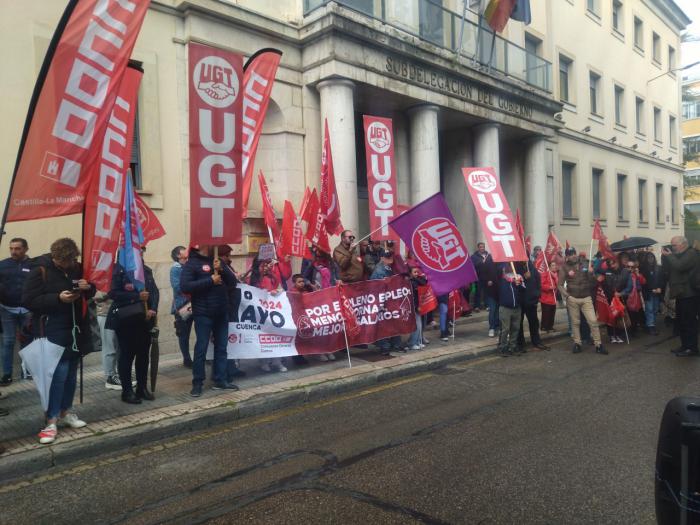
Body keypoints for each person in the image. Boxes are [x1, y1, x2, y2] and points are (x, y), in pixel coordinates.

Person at [22, 238, 95, 444]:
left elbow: (92, 292)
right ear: (55, 258)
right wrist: (57, 298)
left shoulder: (77, 267)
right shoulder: (40, 270)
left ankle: (66, 410)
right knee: (58, 374)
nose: (68, 265)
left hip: (75, 329)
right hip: (52, 328)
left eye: (71, 261)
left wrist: (87, 287)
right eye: (63, 262)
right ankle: (51, 419)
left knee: (71, 372)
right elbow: (28, 300)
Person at [181, 245, 239, 396]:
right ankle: (197, 383)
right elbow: (185, 286)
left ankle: (220, 380)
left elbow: (232, 282)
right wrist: (210, 281)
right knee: (201, 348)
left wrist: (223, 269)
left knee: (222, 347)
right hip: (203, 313)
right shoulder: (191, 264)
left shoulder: (217, 260)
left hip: (221, 312)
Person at [108, 257, 159, 404]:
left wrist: (153, 309)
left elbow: (154, 292)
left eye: (142, 250)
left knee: (143, 355)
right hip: (126, 320)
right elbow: (113, 293)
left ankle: (142, 388)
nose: (141, 252)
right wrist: (136, 296)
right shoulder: (119, 270)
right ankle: (127, 391)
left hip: (144, 319)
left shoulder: (146, 270)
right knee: (127, 355)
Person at [558, 248, 606, 355]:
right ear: (567, 256)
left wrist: (592, 273)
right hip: (573, 299)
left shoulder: (585, 263)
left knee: (593, 321)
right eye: (570, 254)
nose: (573, 255)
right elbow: (560, 285)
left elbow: (594, 281)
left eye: (574, 253)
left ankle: (599, 345)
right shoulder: (564, 267)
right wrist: (567, 296)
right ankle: (577, 343)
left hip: (586, 297)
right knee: (575, 323)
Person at [0, 237, 34, 385]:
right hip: (7, 309)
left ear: (26, 249)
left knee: (27, 341)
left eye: (17, 248)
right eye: (11, 248)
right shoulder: (3, 265)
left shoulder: (34, 265)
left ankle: (26, 371)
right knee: (8, 342)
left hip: (28, 310)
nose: (14, 251)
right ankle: (6, 375)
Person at [661, 237, 700, 357]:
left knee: (689, 322)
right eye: (672, 245)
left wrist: (669, 256)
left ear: (683, 244)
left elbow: (680, 266)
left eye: (674, 245)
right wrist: (665, 257)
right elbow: (669, 269)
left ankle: (692, 348)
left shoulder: (691, 254)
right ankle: (684, 346)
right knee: (681, 322)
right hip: (681, 293)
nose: (672, 248)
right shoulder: (679, 255)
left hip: (690, 294)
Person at [250, 256, 289, 371]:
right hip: (261, 311)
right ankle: (264, 362)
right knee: (264, 336)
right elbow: (254, 292)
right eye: (264, 265)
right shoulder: (254, 279)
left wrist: (278, 291)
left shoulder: (272, 276)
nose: (267, 267)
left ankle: (277, 361)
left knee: (276, 335)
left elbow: (278, 286)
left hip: (273, 310)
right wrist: (267, 292)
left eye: (268, 264)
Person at [218, 245, 246, 379]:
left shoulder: (227, 266)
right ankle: (226, 371)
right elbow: (230, 282)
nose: (228, 258)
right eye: (227, 255)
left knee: (233, 340)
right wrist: (234, 277)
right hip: (227, 307)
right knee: (226, 341)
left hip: (232, 306)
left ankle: (232, 368)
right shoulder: (220, 267)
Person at [370, 250, 401, 354]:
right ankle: (385, 346)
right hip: (384, 300)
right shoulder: (379, 271)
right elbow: (375, 287)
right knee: (384, 324)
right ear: (382, 258)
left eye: (390, 257)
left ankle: (395, 344)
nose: (390, 259)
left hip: (391, 299)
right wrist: (380, 303)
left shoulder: (390, 268)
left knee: (393, 322)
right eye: (387, 257)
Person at [516, 259, 548, 351]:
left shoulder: (531, 267)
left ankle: (536, 341)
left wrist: (537, 294)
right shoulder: (515, 267)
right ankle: (520, 344)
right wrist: (522, 277)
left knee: (534, 323)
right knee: (519, 323)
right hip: (520, 301)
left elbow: (538, 280)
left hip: (531, 300)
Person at [170, 245, 193, 368]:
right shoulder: (176, 269)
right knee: (184, 334)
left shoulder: (189, 266)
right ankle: (187, 358)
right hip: (183, 306)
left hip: (195, 303)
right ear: (178, 255)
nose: (186, 251)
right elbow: (177, 287)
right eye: (183, 250)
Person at [496, 263, 525, 356]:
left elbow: (524, 289)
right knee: (505, 329)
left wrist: (518, 284)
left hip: (517, 307)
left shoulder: (518, 276)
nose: (508, 267)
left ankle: (512, 346)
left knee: (515, 328)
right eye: (506, 265)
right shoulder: (501, 278)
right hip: (505, 308)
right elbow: (497, 270)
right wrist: (503, 266)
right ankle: (502, 347)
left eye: (509, 265)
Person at [94, 291, 121, 389]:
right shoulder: (99, 275)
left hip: (119, 313)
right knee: (109, 347)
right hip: (105, 314)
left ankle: (119, 376)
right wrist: (114, 289)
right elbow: (97, 296)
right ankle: (110, 377)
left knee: (119, 347)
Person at [474, 246, 499, 337]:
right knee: (492, 310)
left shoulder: (502, 262)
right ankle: (492, 328)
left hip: (500, 291)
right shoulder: (489, 260)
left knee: (498, 310)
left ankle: (497, 326)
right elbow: (483, 274)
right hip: (491, 291)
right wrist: (488, 280)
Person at [639, 251, 664, 336]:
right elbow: (643, 282)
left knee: (655, 309)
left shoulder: (658, 268)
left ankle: (651, 324)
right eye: (649, 258)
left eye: (652, 257)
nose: (651, 259)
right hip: (648, 292)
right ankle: (650, 326)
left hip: (657, 291)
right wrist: (651, 289)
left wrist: (660, 287)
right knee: (649, 309)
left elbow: (661, 279)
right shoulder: (643, 269)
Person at [405, 265, 427, 351]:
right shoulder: (410, 282)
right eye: (414, 272)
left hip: (420, 305)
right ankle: (412, 343)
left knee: (420, 325)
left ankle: (417, 342)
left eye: (417, 272)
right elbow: (413, 296)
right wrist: (417, 306)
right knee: (417, 325)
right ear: (410, 273)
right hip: (414, 306)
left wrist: (416, 277)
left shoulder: (418, 280)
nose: (417, 273)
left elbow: (424, 283)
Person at [540, 261, 559, 332]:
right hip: (546, 297)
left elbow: (558, 284)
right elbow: (541, 285)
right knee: (546, 313)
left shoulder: (556, 275)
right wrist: (549, 287)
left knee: (552, 313)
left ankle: (550, 326)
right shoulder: (545, 274)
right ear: (549, 267)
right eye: (553, 265)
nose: (555, 267)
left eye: (555, 265)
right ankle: (544, 327)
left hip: (553, 297)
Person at [470, 242, 488, 312]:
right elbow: (472, 266)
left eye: (483, 247)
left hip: (487, 276)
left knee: (487, 292)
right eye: (481, 247)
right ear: (478, 248)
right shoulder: (474, 256)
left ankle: (487, 305)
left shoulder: (488, 255)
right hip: (478, 276)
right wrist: (481, 262)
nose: (482, 248)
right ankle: (476, 306)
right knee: (478, 292)